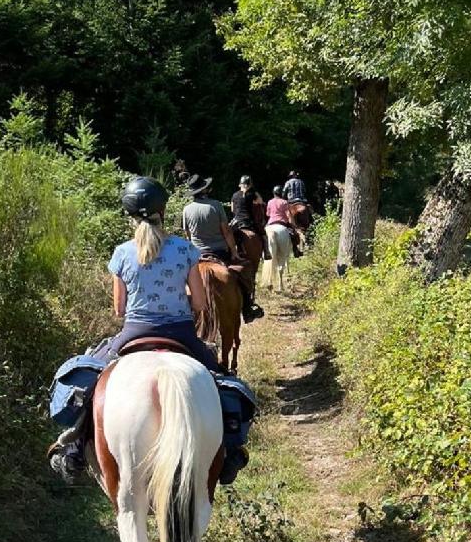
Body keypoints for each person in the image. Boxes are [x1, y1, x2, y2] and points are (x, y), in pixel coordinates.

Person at [49, 176, 225, 482]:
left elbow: (119, 309)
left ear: (129, 214)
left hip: (134, 332)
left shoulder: (121, 253)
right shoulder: (185, 250)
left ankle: (74, 447)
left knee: (90, 378)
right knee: (222, 380)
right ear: (163, 210)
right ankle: (232, 446)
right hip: (181, 333)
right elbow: (199, 304)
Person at [182, 174, 263, 323]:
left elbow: (187, 235)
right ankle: (247, 308)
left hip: (196, 254)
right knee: (243, 273)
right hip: (219, 252)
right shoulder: (216, 205)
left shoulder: (186, 209)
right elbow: (226, 231)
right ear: (206, 190)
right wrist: (234, 252)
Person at [267, 184, 302, 257]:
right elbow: (289, 215)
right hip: (282, 223)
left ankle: (264, 252)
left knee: (263, 235)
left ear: (274, 193)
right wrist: (293, 225)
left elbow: (268, 214)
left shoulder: (269, 202)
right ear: (282, 193)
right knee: (294, 234)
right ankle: (296, 250)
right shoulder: (284, 202)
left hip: (270, 224)